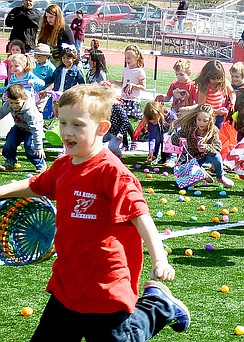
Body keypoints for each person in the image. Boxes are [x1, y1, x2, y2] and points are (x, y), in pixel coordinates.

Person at [0, 84, 190, 339]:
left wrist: (160, 260)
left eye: (77, 125)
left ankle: (158, 305)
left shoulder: (113, 173)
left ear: (101, 128)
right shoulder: (64, 165)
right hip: (67, 284)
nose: (67, 131)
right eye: (63, 122)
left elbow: (141, 218)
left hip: (106, 286)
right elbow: (36, 185)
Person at [171, 104, 234, 188]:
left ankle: (220, 176)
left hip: (208, 156)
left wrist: (206, 148)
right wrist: (179, 140)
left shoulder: (213, 130)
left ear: (210, 120)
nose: (201, 123)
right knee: (187, 184)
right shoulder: (190, 127)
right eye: (199, 120)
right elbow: (174, 137)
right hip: (194, 159)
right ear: (196, 118)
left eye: (205, 120)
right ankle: (203, 173)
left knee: (216, 157)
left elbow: (218, 146)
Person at [108, 45, 146, 151]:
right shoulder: (125, 70)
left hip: (133, 100)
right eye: (126, 58)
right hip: (124, 99)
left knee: (126, 121)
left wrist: (133, 85)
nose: (127, 60)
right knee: (122, 121)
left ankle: (134, 138)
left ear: (136, 57)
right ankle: (125, 143)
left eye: (129, 58)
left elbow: (143, 87)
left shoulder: (140, 71)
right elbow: (123, 84)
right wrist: (114, 82)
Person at [0, 84, 46, 172]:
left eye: (17, 103)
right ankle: (10, 162)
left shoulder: (30, 112)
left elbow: (36, 130)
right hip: (18, 127)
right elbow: (1, 113)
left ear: (24, 99)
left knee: (30, 147)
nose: (14, 106)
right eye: (11, 102)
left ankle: (40, 164)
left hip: (31, 130)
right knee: (10, 142)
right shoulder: (8, 105)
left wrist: (39, 147)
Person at [183, 60, 235, 129]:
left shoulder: (224, 83)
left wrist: (233, 102)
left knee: (220, 129)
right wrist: (216, 111)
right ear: (207, 76)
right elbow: (202, 105)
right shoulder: (205, 87)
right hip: (208, 115)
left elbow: (232, 92)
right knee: (207, 129)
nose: (216, 81)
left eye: (218, 78)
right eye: (213, 79)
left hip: (220, 115)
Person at [41, 47, 85, 119]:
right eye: (63, 58)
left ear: (73, 58)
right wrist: (42, 81)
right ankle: (55, 122)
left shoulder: (76, 71)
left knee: (66, 110)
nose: (65, 60)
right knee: (55, 110)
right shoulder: (59, 69)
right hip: (56, 94)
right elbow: (52, 78)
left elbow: (82, 83)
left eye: (68, 58)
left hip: (67, 95)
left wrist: (79, 93)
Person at [143, 101, 177, 165]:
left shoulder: (170, 115)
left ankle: (170, 158)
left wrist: (170, 133)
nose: (153, 122)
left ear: (159, 114)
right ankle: (153, 156)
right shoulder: (151, 121)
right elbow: (152, 136)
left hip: (171, 129)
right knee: (157, 137)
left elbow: (177, 127)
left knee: (166, 137)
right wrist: (151, 149)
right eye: (151, 121)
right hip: (160, 129)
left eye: (154, 119)